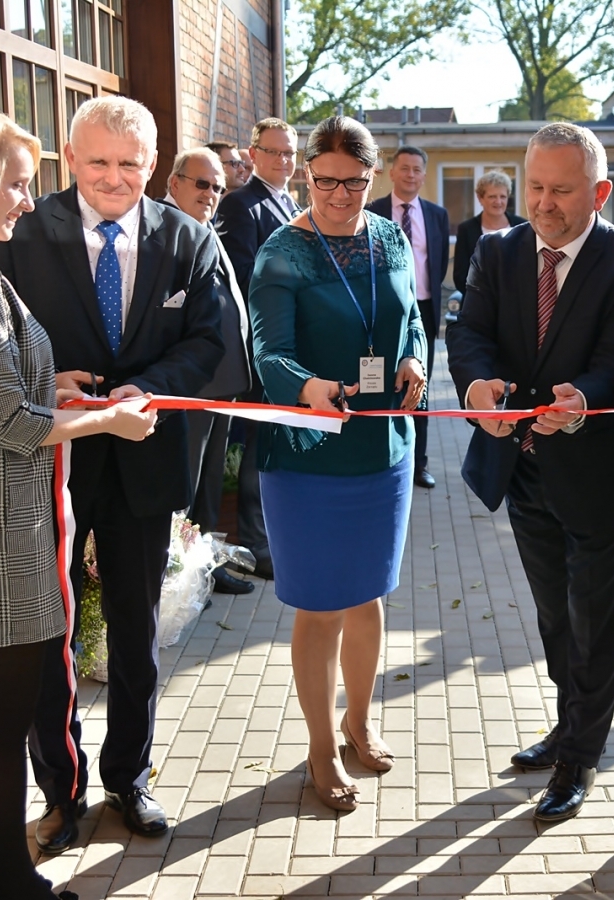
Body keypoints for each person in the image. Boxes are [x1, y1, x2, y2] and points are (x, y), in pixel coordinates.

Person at [0, 81, 158, 900]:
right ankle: (11, 881)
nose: (27, 199)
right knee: (0, 716)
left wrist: (55, 387)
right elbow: (10, 424)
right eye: (16, 183)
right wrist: (107, 420)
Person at [0, 95, 224, 852]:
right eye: (97, 162)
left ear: (152, 163)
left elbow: (211, 342)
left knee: (136, 630)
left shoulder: (188, 240)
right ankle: (62, 791)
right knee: (48, 633)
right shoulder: (22, 233)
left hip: (144, 462)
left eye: (129, 164)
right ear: (69, 158)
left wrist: (147, 386)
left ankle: (130, 776)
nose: (114, 177)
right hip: (48, 460)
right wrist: (45, 381)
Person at [446, 123, 614, 822]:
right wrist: (477, 384)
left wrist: (584, 399)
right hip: (523, 467)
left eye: (561, 191)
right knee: (553, 613)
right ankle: (569, 725)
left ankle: (580, 757)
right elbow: (469, 332)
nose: (543, 203)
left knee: (593, 619)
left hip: (601, 474)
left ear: (599, 193)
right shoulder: (497, 251)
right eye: (534, 186)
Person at [248, 115, 427, 812]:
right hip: (309, 456)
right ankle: (321, 747)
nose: (340, 195)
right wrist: (306, 389)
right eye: (326, 181)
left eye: (354, 182)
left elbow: (412, 319)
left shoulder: (390, 237)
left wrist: (412, 359)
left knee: (368, 596)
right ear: (306, 175)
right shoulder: (282, 252)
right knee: (322, 606)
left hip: (383, 449)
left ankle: (359, 720)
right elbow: (268, 351)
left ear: (372, 177)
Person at [162, 147, 256, 595]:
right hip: (192, 385)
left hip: (223, 382)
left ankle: (205, 570)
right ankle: (176, 580)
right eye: (202, 184)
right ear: (174, 182)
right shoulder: (162, 229)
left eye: (218, 187)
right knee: (185, 484)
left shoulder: (202, 226)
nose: (211, 194)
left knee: (210, 483)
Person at [214, 117, 302, 578]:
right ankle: (255, 543)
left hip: (293, 344)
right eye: (274, 152)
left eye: (290, 153)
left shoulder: (293, 203)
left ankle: (278, 534)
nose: (283, 160)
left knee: (281, 440)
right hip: (263, 345)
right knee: (259, 442)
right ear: (253, 155)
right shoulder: (240, 205)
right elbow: (243, 276)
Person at [367, 146, 451, 489]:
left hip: (424, 310)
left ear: (424, 175)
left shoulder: (437, 215)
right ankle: (379, 456)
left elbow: (438, 263)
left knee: (419, 386)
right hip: (381, 313)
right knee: (378, 383)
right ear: (392, 172)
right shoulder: (372, 211)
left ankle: (419, 463)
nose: (411, 175)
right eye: (404, 168)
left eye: (417, 169)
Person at [452, 170, 527, 295]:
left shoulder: (523, 227)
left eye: (503, 196)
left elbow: (529, 270)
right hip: (478, 302)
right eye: (492, 196)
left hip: (516, 302)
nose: (498, 202)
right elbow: (460, 276)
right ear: (480, 198)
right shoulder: (466, 230)